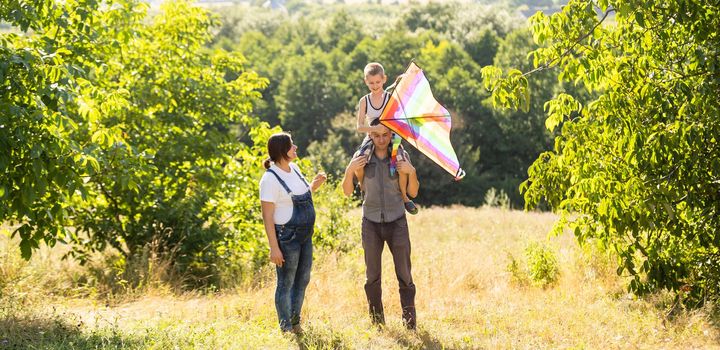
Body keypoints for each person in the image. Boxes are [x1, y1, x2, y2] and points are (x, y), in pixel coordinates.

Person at [342, 124, 420, 330]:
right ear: (370, 135)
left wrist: (412, 172)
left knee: (404, 273)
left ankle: (410, 322)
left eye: (385, 135)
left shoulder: (401, 156)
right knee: (372, 276)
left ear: (391, 134)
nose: (381, 139)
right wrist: (349, 169)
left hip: (397, 222)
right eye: (376, 135)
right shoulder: (362, 158)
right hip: (371, 223)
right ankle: (378, 322)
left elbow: (413, 192)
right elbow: (347, 192)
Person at [259, 132, 327, 333]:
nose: (295, 147)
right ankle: (286, 327)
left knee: (303, 279)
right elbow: (267, 216)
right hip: (287, 239)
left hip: (305, 236)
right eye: (291, 145)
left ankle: (295, 322)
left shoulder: (295, 169)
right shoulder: (269, 180)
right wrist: (274, 248)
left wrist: (314, 185)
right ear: (282, 150)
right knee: (286, 282)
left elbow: (301, 195)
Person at [354, 62, 418, 215]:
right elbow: (359, 127)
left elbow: (399, 118)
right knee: (359, 159)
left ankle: (404, 196)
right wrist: (374, 129)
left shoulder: (390, 98)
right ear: (365, 81)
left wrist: (389, 128)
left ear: (384, 79)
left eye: (378, 82)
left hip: (392, 135)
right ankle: (363, 188)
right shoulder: (364, 101)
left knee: (401, 163)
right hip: (372, 135)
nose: (375, 85)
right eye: (371, 83)